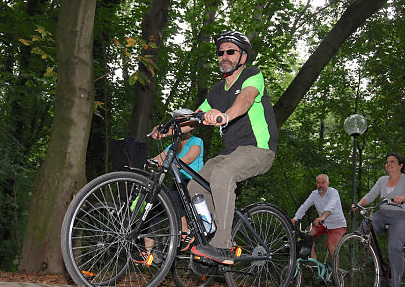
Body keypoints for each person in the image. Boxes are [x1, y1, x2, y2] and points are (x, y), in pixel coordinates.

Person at [156, 31, 277, 265]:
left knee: (222, 175)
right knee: (194, 185)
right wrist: (169, 129)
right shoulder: (216, 91)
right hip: (230, 154)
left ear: (243, 57)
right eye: (221, 52)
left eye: (230, 51)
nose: (224, 56)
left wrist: (225, 116)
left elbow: (246, 101)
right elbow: (194, 117)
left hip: (259, 150)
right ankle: (210, 233)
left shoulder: (252, 76)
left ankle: (223, 245)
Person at [133, 131, 204, 265]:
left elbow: (188, 159)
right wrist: (146, 163)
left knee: (173, 197)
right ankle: (147, 252)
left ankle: (186, 232)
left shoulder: (196, 141)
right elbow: (158, 158)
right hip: (177, 182)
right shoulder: (173, 146)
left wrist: (167, 164)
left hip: (193, 182)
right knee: (154, 207)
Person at [355, 152, 405, 287]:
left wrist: (402, 198)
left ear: (400, 165)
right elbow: (371, 195)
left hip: (402, 216)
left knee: (394, 247)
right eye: (387, 162)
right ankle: (378, 268)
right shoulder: (382, 180)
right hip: (383, 214)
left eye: (392, 162)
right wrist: (359, 204)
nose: (388, 164)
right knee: (363, 229)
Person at [291, 174, 346, 260]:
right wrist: (295, 218)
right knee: (307, 235)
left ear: (328, 183)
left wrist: (322, 217)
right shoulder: (314, 194)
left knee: (331, 247)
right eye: (318, 183)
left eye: (323, 183)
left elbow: (330, 206)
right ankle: (314, 262)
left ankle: (336, 272)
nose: (320, 185)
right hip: (323, 223)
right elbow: (305, 206)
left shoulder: (333, 192)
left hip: (337, 224)